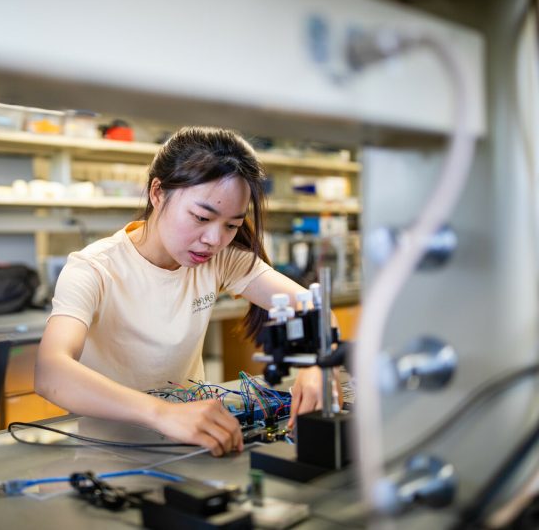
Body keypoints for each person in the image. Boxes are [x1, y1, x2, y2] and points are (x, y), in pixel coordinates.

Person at [35, 126, 333, 457]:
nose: (214, 239)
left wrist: (319, 365)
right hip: (106, 448)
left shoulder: (220, 260)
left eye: (231, 225)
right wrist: (162, 413)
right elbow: (51, 372)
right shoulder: (93, 269)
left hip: (191, 443)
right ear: (158, 193)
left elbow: (315, 308)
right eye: (201, 217)